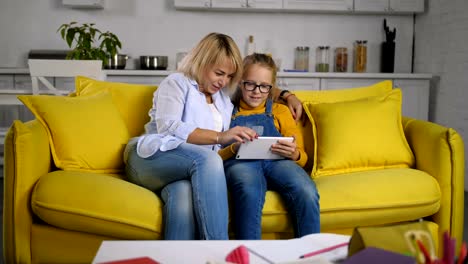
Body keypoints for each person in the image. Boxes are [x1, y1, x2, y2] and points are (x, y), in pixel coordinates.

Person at [124, 32, 258, 240]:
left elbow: (258, 85)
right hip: (148, 157)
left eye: (230, 76)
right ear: (202, 62)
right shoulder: (177, 82)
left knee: (183, 195)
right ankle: (219, 252)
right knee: (208, 159)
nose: (223, 81)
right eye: (219, 73)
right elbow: (168, 126)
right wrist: (220, 136)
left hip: (186, 170)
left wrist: (287, 95)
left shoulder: (221, 97)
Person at [220, 53, 320, 239]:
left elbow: (304, 158)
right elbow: (215, 156)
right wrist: (233, 148)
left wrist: (294, 154)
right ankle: (248, 255)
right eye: (250, 84)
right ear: (240, 82)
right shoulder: (225, 109)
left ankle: (311, 253)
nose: (257, 91)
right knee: (249, 191)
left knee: (306, 190)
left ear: (271, 88)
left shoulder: (280, 111)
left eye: (264, 86)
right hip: (241, 164)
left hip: (278, 162)